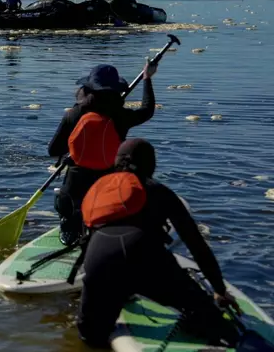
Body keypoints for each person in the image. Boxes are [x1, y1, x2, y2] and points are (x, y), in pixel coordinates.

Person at [76, 138, 241, 348]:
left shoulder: (98, 189)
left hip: (98, 260)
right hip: (145, 257)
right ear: (150, 164)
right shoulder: (157, 190)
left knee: (89, 339)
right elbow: (196, 244)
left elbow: (85, 242)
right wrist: (218, 289)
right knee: (218, 327)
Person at [48, 61, 157, 246]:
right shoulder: (122, 116)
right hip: (107, 179)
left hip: (76, 181)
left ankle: (68, 226)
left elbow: (53, 150)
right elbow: (147, 110)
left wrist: (73, 149)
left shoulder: (73, 114)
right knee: (105, 213)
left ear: (88, 89)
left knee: (68, 204)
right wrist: (147, 78)